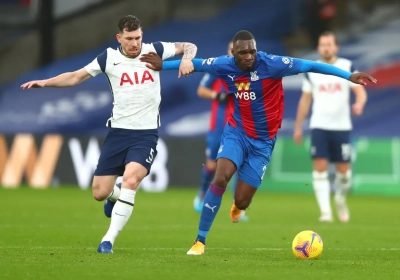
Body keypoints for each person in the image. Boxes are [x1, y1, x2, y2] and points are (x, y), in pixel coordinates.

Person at [140, 30, 376, 255]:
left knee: (242, 200)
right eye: (243, 53)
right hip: (237, 132)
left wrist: (349, 76)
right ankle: (200, 240)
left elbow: (312, 65)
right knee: (221, 176)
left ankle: (238, 207)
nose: (249, 56)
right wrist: (164, 65)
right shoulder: (224, 65)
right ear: (234, 54)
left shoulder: (273, 64)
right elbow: (196, 63)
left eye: (252, 51)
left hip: (263, 142)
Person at [21, 15, 197, 254]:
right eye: (130, 39)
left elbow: (189, 46)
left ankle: (108, 241)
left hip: (145, 134)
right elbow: (76, 76)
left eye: (138, 38)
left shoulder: (154, 50)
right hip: (118, 133)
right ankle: (112, 197)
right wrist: (45, 82)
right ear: (119, 38)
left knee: (131, 180)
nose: (135, 44)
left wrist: (187, 59)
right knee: (99, 192)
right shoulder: (108, 58)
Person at [293, 31, 367, 223]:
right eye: (322, 44)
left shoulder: (347, 66)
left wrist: (359, 103)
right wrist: (298, 126)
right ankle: (325, 212)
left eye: (329, 44)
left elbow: (360, 91)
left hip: (342, 126)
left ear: (336, 47)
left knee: (344, 175)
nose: (326, 47)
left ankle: (340, 199)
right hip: (319, 125)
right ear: (319, 48)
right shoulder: (312, 70)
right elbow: (305, 100)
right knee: (319, 168)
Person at [193, 41, 248, 221]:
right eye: (231, 50)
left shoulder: (248, 70)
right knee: (212, 165)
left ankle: (237, 207)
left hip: (240, 125)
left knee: (240, 166)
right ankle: (201, 195)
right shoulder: (218, 67)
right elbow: (201, 90)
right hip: (219, 126)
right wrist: (217, 95)